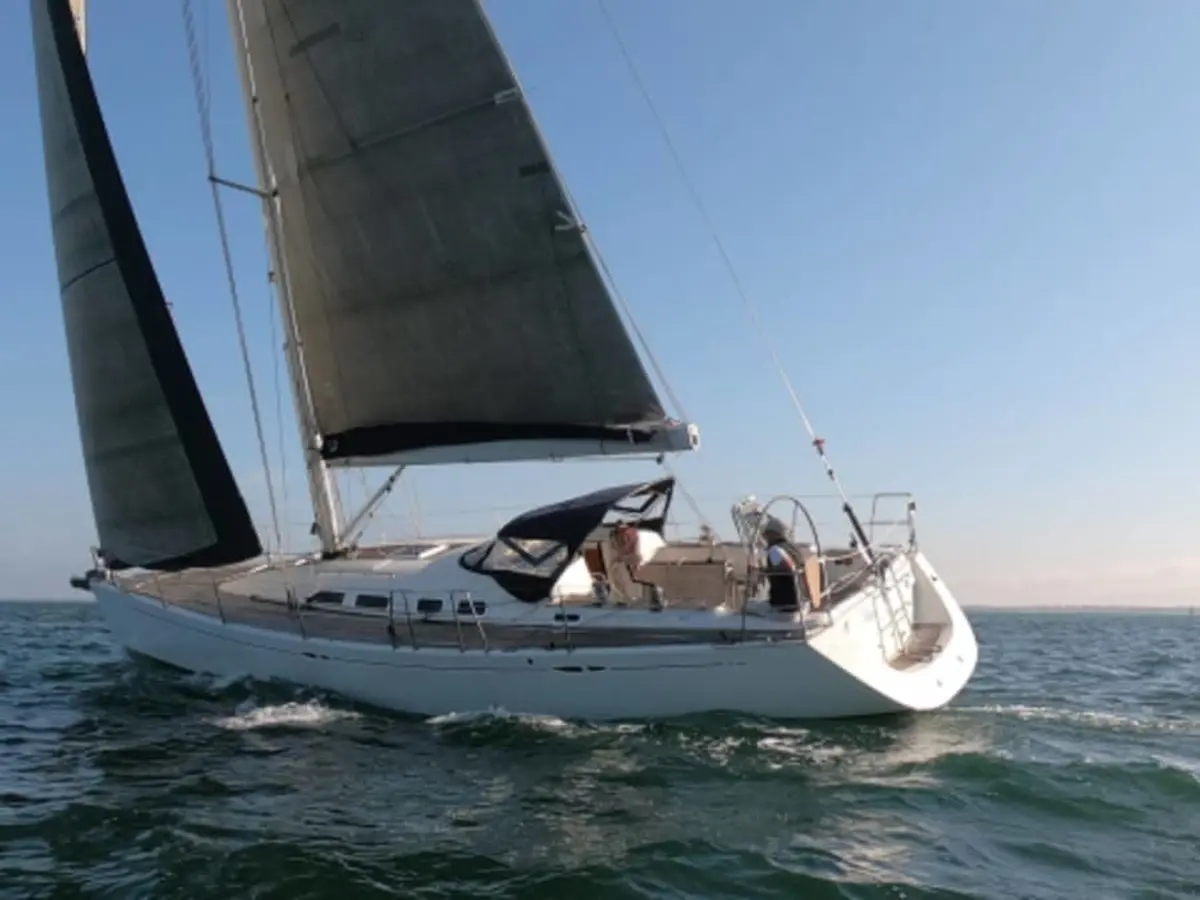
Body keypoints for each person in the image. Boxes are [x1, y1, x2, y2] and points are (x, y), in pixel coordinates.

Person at [761, 523, 801, 612]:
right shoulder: (792, 549)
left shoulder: (775, 550)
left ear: (773, 534)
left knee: (748, 605)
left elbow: (789, 569)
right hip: (796, 602)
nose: (766, 538)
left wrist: (765, 572)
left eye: (767, 534)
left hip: (783, 605)